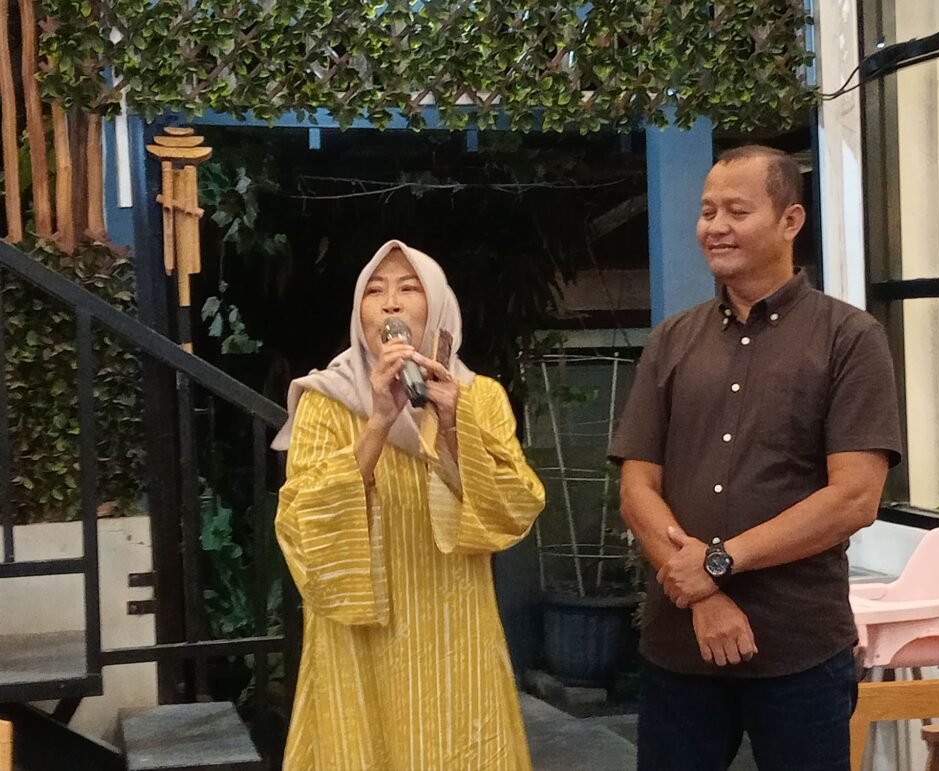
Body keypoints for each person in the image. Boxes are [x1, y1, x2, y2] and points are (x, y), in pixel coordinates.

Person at [609, 146, 902, 771]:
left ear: (790, 220)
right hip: (680, 645)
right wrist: (703, 595)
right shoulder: (672, 340)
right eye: (707, 211)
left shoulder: (850, 338)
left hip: (798, 648)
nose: (715, 227)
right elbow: (637, 487)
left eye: (737, 212)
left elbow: (854, 498)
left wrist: (719, 561)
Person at [272, 239, 545, 770]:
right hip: (358, 639)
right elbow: (303, 525)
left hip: (454, 633)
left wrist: (454, 425)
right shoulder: (325, 402)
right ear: (360, 315)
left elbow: (514, 509)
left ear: (438, 307)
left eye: (408, 289)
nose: (391, 303)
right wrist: (379, 420)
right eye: (375, 292)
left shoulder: (480, 398)